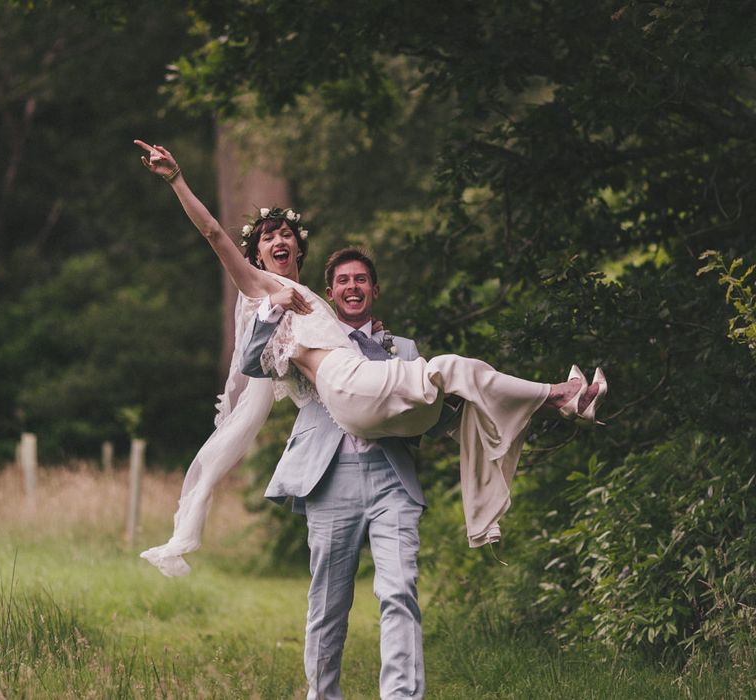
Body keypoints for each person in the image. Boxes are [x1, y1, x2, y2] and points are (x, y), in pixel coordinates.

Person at [134, 138, 607, 574]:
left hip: (368, 400)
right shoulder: (264, 291)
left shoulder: (314, 297)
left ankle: (505, 488)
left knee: (460, 390)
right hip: (342, 387)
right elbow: (216, 234)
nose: (277, 240)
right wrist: (176, 179)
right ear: (256, 255)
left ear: (299, 244)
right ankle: (560, 396)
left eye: (285, 234)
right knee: (452, 368)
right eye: (266, 237)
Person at [239, 243, 462, 699]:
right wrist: (272, 307)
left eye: (360, 279)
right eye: (343, 281)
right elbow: (250, 363)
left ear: (374, 290)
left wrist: (472, 415)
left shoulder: (403, 348)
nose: (352, 287)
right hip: (328, 476)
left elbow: (422, 407)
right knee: (328, 603)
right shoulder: (307, 333)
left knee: (400, 591)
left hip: (391, 478)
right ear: (330, 292)